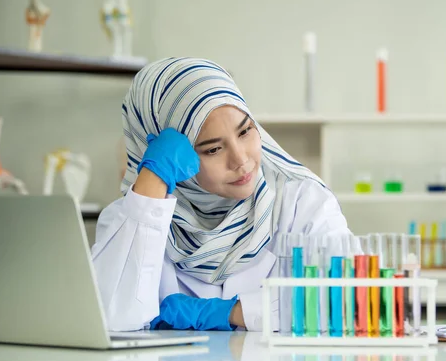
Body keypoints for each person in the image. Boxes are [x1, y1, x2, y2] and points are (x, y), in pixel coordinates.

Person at [91, 57, 352, 332]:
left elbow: (346, 303)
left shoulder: (303, 203)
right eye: (213, 149)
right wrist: (154, 178)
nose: (241, 160)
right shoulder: (131, 219)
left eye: (245, 131)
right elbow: (107, 318)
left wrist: (230, 313)